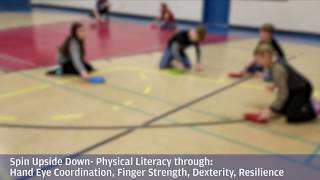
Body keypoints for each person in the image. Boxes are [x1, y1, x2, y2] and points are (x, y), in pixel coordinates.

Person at [247, 43, 319, 123]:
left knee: (291, 117)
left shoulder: (277, 68)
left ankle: (314, 108)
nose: (257, 63)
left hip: (302, 89)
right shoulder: (274, 62)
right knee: (281, 110)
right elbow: (284, 77)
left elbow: (283, 92)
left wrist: (270, 110)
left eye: (258, 60)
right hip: (292, 88)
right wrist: (275, 85)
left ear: (266, 56)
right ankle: (304, 103)